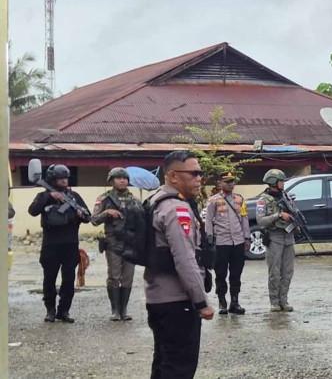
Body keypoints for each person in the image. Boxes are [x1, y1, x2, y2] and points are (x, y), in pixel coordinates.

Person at [144, 150, 214, 378]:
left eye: (200, 173)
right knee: (179, 369)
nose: (199, 178)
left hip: (158, 297)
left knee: (164, 365)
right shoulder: (177, 208)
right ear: (173, 176)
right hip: (178, 300)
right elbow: (185, 259)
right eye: (193, 173)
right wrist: (201, 301)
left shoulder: (155, 200)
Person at [28, 164, 90, 323]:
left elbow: (88, 217)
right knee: (49, 279)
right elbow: (33, 211)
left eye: (65, 178)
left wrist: (80, 214)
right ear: (52, 179)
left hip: (70, 244)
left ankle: (64, 311)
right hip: (51, 245)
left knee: (68, 280)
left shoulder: (74, 196)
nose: (64, 181)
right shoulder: (43, 195)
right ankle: (50, 310)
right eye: (60, 178)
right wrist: (49, 197)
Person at [91, 167, 143, 321]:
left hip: (130, 243)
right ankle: (115, 310)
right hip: (113, 242)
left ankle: (124, 309)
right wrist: (107, 213)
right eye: (118, 178)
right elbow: (94, 220)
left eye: (125, 178)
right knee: (114, 276)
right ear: (112, 181)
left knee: (128, 277)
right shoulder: (105, 198)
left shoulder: (134, 200)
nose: (122, 180)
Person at [205, 172, 251, 315]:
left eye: (232, 181)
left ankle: (235, 302)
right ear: (220, 183)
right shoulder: (213, 200)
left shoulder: (239, 199)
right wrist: (209, 238)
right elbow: (208, 220)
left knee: (236, 273)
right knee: (221, 273)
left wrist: (247, 238)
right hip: (221, 242)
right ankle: (222, 302)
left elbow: (244, 219)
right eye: (227, 182)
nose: (231, 184)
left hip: (238, 242)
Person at [256, 169, 297, 312]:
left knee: (288, 271)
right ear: (273, 182)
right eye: (281, 181)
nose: (283, 184)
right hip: (275, 238)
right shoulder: (263, 200)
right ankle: (274, 301)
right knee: (275, 272)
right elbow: (261, 221)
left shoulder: (286, 196)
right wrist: (278, 215)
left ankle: (284, 300)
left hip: (288, 237)